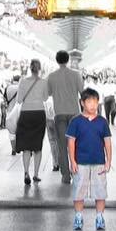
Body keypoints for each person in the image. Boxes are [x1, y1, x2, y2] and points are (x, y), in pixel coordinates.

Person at [67, 88, 112, 231]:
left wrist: (108, 161)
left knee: (100, 192)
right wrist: (72, 161)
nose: (93, 105)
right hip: (80, 163)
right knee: (78, 191)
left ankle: (99, 217)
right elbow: (71, 142)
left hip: (99, 162)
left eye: (95, 101)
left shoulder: (102, 122)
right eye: (89, 101)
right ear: (82, 103)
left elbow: (107, 142)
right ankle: (78, 216)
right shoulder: (76, 121)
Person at [47, 49, 84, 184]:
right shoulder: (76, 75)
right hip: (74, 114)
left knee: (62, 146)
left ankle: (65, 176)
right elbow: (82, 92)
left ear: (57, 60)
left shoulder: (51, 76)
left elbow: (48, 93)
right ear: (68, 60)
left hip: (60, 114)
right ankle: (76, 172)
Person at [15, 58, 49, 186]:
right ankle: (35, 174)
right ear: (39, 69)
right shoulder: (44, 82)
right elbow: (45, 98)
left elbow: (18, 100)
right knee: (37, 145)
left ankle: (26, 172)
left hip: (26, 113)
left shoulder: (23, 81)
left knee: (26, 146)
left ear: (30, 68)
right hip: (39, 113)